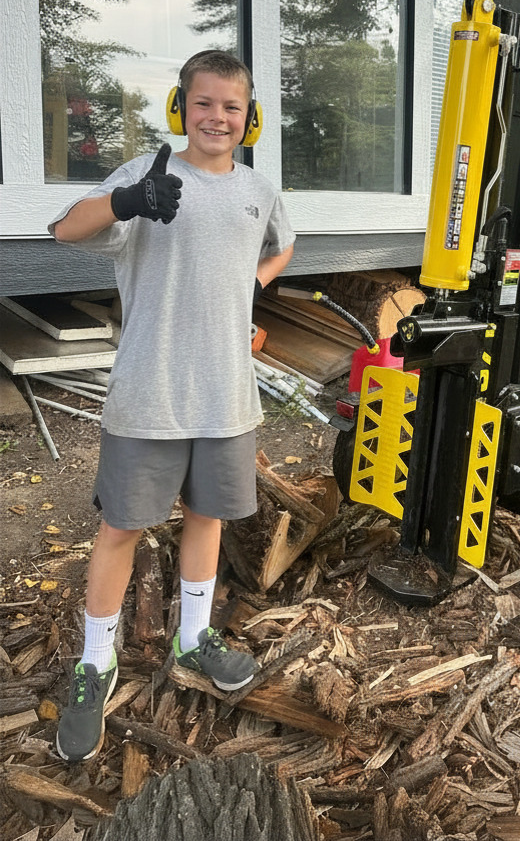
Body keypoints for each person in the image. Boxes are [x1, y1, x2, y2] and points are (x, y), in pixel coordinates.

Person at [49, 50, 295, 763]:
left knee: (208, 519)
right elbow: (65, 228)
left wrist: (246, 290)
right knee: (122, 529)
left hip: (226, 396)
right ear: (179, 108)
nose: (216, 116)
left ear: (250, 118)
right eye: (203, 103)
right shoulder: (146, 175)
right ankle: (95, 664)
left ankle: (194, 637)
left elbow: (283, 244)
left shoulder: (258, 189)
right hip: (150, 395)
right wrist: (125, 204)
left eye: (231, 106)